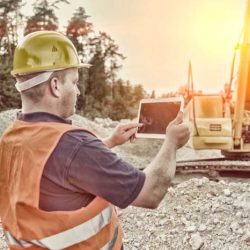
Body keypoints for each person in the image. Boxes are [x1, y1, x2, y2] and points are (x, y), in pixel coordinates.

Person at [0, 31, 190, 250]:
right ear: (55, 86)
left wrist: (111, 141)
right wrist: (172, 143)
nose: (78, 91)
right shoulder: (75, 146)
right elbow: (151, 193)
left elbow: (52, 172)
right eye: (74, 82)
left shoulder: (11, 138)